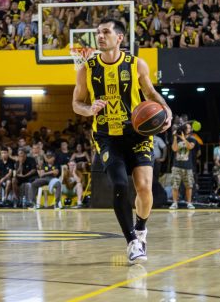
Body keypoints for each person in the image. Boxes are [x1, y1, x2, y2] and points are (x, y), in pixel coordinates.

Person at [72, 17, 172, 264]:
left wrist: (166, 109)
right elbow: (76, 103)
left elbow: (150, 93)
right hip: (107, 137)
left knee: (144, 187)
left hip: (137, 134)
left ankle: (141, 228)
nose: (100, 36)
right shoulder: (87, 68)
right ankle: (132, 242)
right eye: (98, 32)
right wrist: (88, 109)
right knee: (119, 185)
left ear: (120, 38)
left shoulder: (136, 64)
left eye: (105, 32)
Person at [170, 122, 197, 210]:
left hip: (188, 166)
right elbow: (174, 149)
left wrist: (183, 138)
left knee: (189, 185)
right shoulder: (177, 139)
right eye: (186, 128)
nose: (188, 129)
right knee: (175, 185)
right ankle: (175, 203)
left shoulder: (192, 139)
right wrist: (175, 137)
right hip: (176, 166)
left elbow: (190, 147)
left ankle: (189, 203)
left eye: (188, 128)